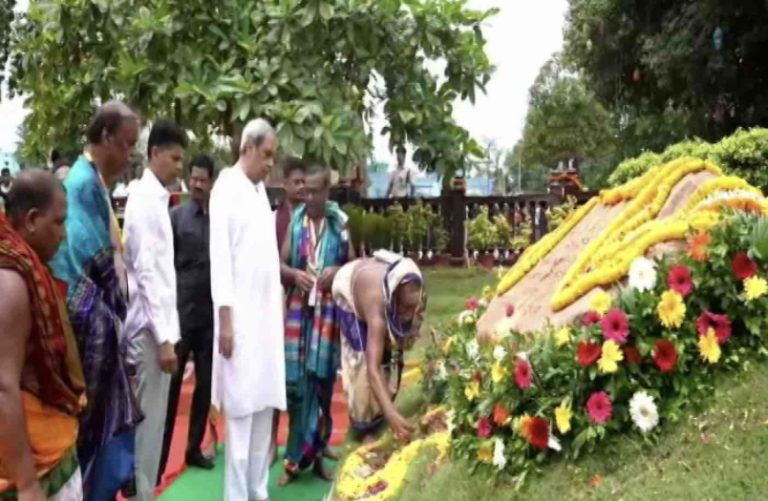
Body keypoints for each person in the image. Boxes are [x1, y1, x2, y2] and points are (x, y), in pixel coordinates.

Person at [50, 101, 142, 501]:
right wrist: (108, 315)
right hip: (85, 334)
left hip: (102, 330)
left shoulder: (95, 184)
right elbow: (76, 262)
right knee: (88, 448)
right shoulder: (81, 186)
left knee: (105, 446)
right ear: (104, 138)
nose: (129, 155)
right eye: (126, 145)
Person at [209, 118, 286, 501]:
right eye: (267, 155)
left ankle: (258, 492)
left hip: (265, 324)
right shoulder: (226, 188)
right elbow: (221, 260)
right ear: (247, 148)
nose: (270, 164)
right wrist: (225, 321)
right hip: (237, 323)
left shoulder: (258, 192)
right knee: (240, 417)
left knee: (262, 410)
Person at [0, 170, 86, 501]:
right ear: (33, 219)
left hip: (51, 457)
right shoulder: (11, 279)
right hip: (36, 473)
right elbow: (4, 385)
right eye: (59, 223)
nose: (64, 235)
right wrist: (27, 484)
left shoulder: (25, 267)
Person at [122, 120, 187, 501]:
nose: (180, 167)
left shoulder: (156, 198)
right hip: (149, 332)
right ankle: (141, 494)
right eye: (175, 159)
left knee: (153, 424)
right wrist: (164, 339)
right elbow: (146, 275)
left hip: (157, 330)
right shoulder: (145, 201)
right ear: (155, 154)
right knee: (148, 427)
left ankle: (142, 491)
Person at [278, 163, 353, 485]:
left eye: (313, 191)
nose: (307, 196)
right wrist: (295, 275)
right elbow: (279, 264)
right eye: (304, 190)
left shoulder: (340, 226)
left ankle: (319, 456)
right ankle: (293, 461)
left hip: (327, 318)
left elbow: (355, 265)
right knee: (296, 389)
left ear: (326, 192)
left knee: (322, 387)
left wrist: (335, 272)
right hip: (298, 314)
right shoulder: (296, 224)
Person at [158, 153, 217, 482]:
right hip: (180, 315)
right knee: (171, 390)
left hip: (210, 318)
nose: (196, 183)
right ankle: (160, 455)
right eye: (192, 177)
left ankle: (193, 448)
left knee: (206, 386)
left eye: (202, 179)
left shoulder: (220, 218)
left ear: (211, 182)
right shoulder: (175, 217)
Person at [331, 251, 427, 443]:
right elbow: (372, 369)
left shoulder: (411, 289)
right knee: (361, 361)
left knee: (390, 354)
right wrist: (392, 415)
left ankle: (381, 412)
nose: (408, 315)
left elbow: (401, 340)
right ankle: (364, 426)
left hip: (370, 276)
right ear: (393, 299)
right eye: (404, 309)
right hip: (348, 287)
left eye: (412, 309)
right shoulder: (377, 307)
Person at [274, 156, 306, 253]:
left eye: (304, 182)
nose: (302, 186)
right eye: (297, 182)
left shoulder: (312, 215)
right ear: (285, 184)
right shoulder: (274, 219)